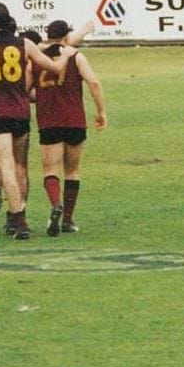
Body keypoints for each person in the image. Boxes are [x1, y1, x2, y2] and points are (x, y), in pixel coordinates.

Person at [0, 3, 75, 240]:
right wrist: (64, 54)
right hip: (20, 112)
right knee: (21, 166)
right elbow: (54, 68)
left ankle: (20, 220)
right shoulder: (25, 44)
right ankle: (16, 217)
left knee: (5, 167)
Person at [0, 21, 95, 230]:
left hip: (2, 112)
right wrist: (82, 33)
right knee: (51, 169)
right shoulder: (40, 51)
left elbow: (25, 86)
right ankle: (64, 219)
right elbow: (63, 49)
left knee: (0, 164)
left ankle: (2, 198)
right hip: (65, 118)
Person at [29, 20, 107, 235]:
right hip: (75, 120)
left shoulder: (36, 57)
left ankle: (55, 204)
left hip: (49, 121)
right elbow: (94, 83)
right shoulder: (75, 56)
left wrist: (42, 96)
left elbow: (26, 90)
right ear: (65, 37)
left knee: (50, 169)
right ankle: (68, 220)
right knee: (72, 171)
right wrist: (101, 112)